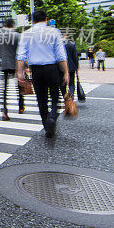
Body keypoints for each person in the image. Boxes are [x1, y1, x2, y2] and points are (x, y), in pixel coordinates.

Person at [16, 9, 69, 138]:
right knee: (55, 96)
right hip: (52, 68)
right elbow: (61, 55)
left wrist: (19, 72)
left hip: (36, 70)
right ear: (46, 19)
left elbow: (21, 55)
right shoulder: (54, 32)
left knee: (41, 99)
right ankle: (52, 117)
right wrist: (66, 72)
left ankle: (47, 126)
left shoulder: (27, 33)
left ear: (33, 21)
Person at [0, 18, 25, 121]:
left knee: (4, 89)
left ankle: (4, 111)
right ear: (13, 25)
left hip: (4, 65)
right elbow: (21, 52)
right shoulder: (18, 36)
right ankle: (21, 107)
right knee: (20, 86)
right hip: (16, 65)